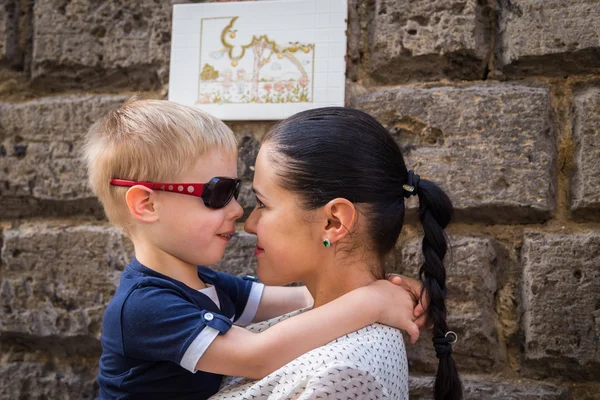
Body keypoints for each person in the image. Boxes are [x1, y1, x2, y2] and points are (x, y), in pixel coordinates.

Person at [82, 98, 425, 400]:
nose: (237, 212)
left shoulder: (205, 284)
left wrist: (389, 286)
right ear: (146, 205)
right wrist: (372, 301)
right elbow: (256, 355)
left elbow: (312, 299)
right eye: (217, 194)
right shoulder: (144, 307)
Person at [211, 107, 462, 400]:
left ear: (334, 222)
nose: (250, 224)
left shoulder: (341, 375)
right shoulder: (320, 322)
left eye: (263, 204)